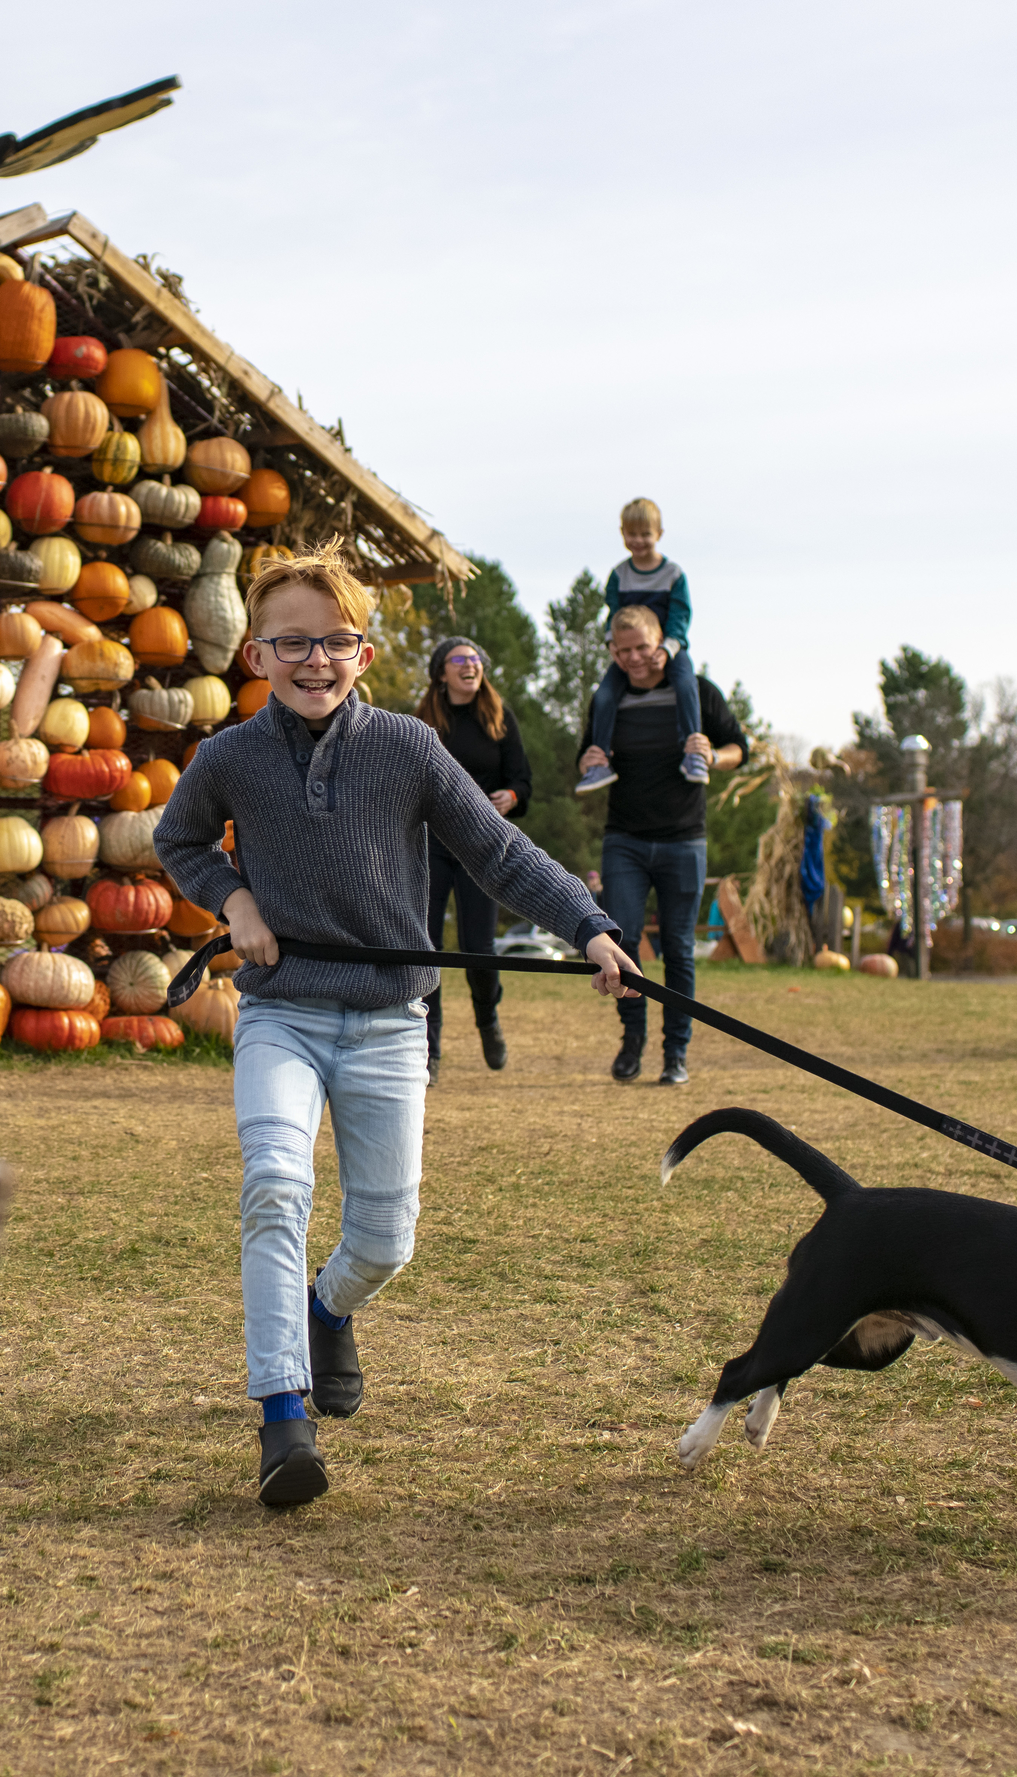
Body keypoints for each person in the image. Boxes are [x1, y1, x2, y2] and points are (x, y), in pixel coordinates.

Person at [154, 544, 632, 1511]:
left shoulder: (410, 749)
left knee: (385, 1238)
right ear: (257, 653)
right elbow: (179, 839)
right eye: (293, 641)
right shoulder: (229, 757)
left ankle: (331, 1309)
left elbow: (496, 852)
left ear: (364, 654)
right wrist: (235, 901)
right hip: (282, 1010)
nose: (315, 660)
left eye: (335, 642)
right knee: (274, 1186)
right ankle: (282, 1414)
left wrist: (589, 925)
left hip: (385, 1022)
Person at [580, 605, 746, 1085]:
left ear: (663, 645)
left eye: (643, 648)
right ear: (613, 650)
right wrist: (587, 756)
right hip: (625, 840)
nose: (635, 658)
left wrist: (714, 755)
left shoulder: (697, 693)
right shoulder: (608, 699)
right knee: (621, 939)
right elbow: (588, 757)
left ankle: (676, 1053)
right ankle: (632, 1041)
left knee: (678, 948)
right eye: (623, 650)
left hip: (683, 840)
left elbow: (741, 749)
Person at [414, 635, 534, 1077]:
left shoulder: (499, 720)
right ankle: (429, 1047)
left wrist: (512, 795)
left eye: (476, 658)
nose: (471, 664)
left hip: (481, 844)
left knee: (478, 946)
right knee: (426, 947)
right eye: (459, 658)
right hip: (429, 845)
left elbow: (522, 782)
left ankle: (488, 1018)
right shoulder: (423, 722)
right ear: (441, 673)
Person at [574, 498, 709, 794]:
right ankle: (599, 761)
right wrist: (614, 646)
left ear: (659, 533)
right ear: (622, 534)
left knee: (687, 685)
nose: (638, 541)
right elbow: (613, 615)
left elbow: (680, 616)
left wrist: (667, 649)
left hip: (667, 648)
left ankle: (693, 753)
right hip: (629, 651)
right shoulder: (619, 575)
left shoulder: (673, 574)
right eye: (631, 534)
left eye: (645, 534)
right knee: (605, 695)